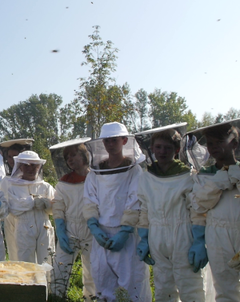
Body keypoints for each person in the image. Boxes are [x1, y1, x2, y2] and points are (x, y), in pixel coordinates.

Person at [135, 125, 206, 302]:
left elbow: (196, 210)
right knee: (162, 286)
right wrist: (143, 237)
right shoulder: (146, 177)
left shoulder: (187, 176)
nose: (162, 151)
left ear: (177, 150)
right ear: (151, 149)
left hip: (183, 235)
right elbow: (144, 209)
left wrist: (199, 239)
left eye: (167, 148)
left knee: (190, 286)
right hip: (156, 237)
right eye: (158, 147)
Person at [83, 122, 151, 302]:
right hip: (101, 236)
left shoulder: (134, 170)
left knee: (132, 286)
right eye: (107, 141)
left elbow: (135, 200)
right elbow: (89, 200)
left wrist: (125, 230)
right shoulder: (95, 173)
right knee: (103, 284)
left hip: (127, 237)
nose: (110, 144)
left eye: (114, 140)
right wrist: (94, 227)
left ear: (124, 141)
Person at [190, 121, 240, 302]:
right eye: (210, 143)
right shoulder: (204, 175)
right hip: (217, 234)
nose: (214, 147)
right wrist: (221, 180)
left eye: (219, 142)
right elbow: (199, 204)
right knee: (225, 288)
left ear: (234, 143)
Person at [49, 138, 96, 300]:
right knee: (59, 269)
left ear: (84, 156)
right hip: (69, 230)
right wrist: (60, 230)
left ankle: (91, 298)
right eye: (67, 157)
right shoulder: (63, 183)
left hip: (92, 229)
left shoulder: (96, 178)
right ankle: (56, 297)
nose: (69, 160)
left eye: (73, 155)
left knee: (93, 270)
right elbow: (58, 207)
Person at [0, 150, 55, 264]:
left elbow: (55, 209)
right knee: (26, 263)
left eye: (34, 165)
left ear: (39, 167)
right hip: (23, 227)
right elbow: (14, 208)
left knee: (47, 261)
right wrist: (33, 202)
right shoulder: (14, 188)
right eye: (27, 165)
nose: (31, 169)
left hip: (44, 225)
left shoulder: (45, 187)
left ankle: (47, 282)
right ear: (20, 167)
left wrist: (47, 203)